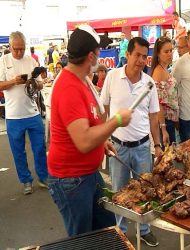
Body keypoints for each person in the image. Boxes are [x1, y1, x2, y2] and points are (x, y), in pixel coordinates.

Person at [47, 25, 132, 237]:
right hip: (71, 179)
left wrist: (102, 141)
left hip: (89, 175)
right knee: (81, 239)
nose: (101, 54)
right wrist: (117, 121)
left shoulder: (83, 79)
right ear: (91, 55)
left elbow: (89, 123)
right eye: (99, 50)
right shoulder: (68, 87)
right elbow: (83, 140)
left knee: (106, 230)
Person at [100, 37, 161, 247]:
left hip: (143, 147)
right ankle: (121, 232)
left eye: (145, 56)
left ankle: (144, 229)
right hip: (118, 146)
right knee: (119, 192)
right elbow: (103, 109)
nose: (141, 60)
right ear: (128, 54)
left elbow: (154, 117)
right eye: (137, 55)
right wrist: (104, 137)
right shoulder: (112, 77)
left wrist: (158, 145)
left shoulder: (149, 83)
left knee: (144, 190)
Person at [0, 31, 48, 195]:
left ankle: (43, 177)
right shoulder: (3, 61)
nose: (19, 52)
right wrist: (14, 81)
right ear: (10, 46)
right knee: (18, 152)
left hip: (32, 112)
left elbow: (41, 85)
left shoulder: (31, 60)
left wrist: (34, 82)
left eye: (22, 48)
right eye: (16, 49)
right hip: (13, 115)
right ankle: (26, 181)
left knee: (40, 147)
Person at [151, 36, 178, 145]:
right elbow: (158, 103)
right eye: (166, 51)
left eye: (171, 50)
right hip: (165, 122)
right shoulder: (158, 72)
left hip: (170, 121)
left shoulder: (164, 69)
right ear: (158, 53)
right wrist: (163, 128)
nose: (169, 54)